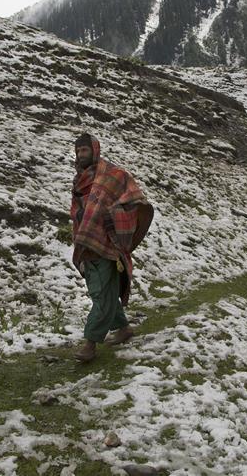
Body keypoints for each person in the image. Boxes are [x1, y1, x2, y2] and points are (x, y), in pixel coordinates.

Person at [71, 132, 153, 362]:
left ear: (95, 150)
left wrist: (110, 216)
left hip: (108, 244)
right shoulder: (79, 181)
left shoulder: (114, 175)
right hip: (86, 242)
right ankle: (124, 329)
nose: (80, 154)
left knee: (101, 296)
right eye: (78, 151)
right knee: (102, 292)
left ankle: (90, 343)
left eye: (84, 150)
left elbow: (134, 200)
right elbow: (78, 211)